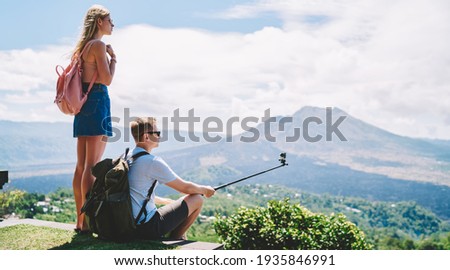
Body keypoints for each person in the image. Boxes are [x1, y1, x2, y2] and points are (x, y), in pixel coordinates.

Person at [128, 117, 215, 240]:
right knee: (197, 198)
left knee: (181, 202)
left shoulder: (126, 157)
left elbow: (136, 194)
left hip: (127, 225)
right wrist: (205, 190)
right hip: (145, 227)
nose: (160, 136)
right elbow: (186, 188)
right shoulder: (151, 162)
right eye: (157, 133)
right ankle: (176, 239)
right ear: (147, 137)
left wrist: (167, 202)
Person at [72, 5, 116, 233]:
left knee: (81, 166)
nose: (113, 24)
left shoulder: (83, 47)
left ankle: (80, 222)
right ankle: (88, 223)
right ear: (100, 21)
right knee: (91, 166)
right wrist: (114, 59)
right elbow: (106, 80)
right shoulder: (98, 46)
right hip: (97, 100)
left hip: (83, 105)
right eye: (110, 20)